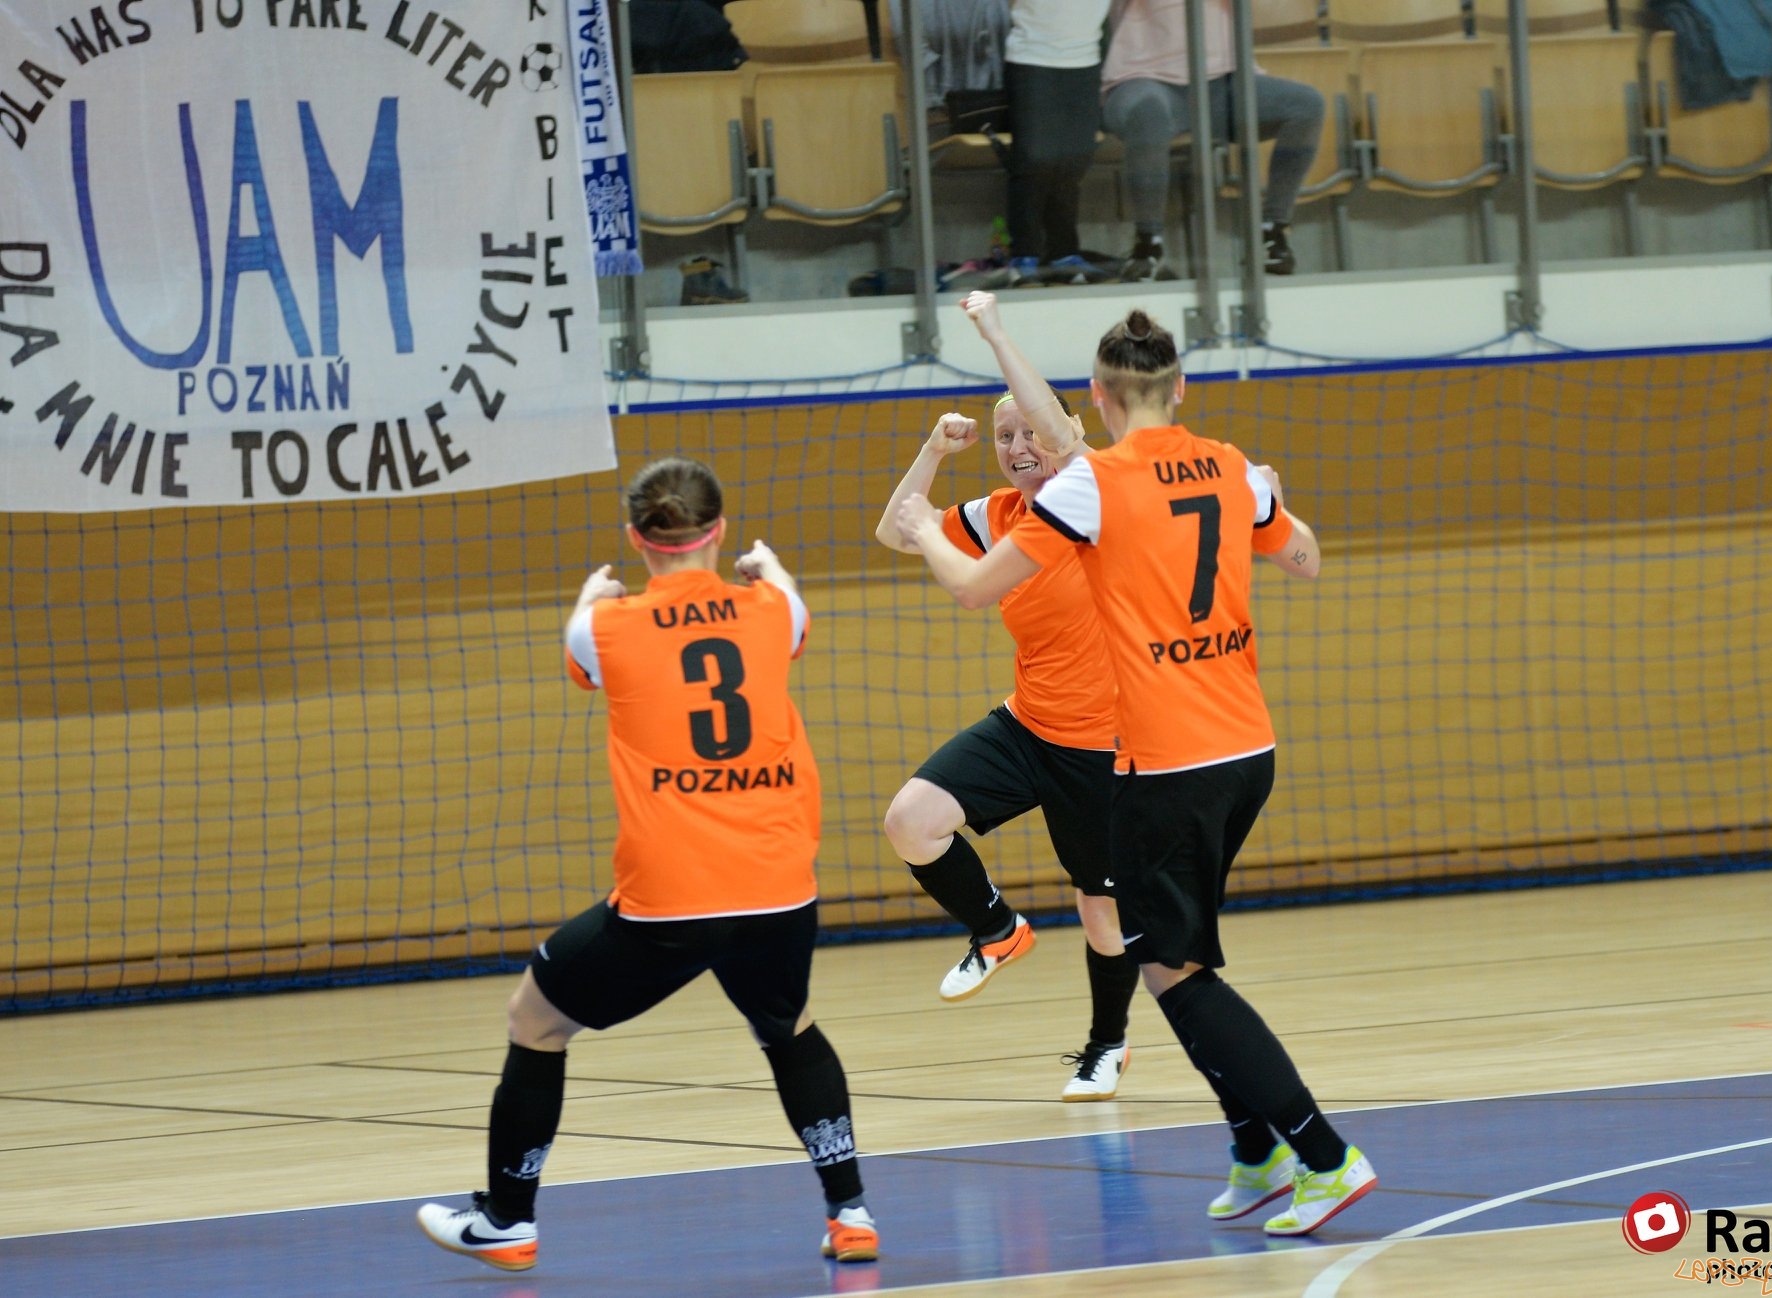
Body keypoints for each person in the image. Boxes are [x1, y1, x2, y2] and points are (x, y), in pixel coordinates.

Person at [894, 292, 1377, 1236]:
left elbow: (970, 587)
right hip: (1247, 745)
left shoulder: (1095, 485)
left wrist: (920, 530)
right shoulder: (1233, 467)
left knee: (1175, 969)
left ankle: (1322, 1154)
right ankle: (1255, 1154)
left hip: (1169, 759)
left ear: (1101, 399)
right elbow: (1307, 560)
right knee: (1174, 952)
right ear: (1180, 385)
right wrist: (1266, 503)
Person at [417, 458, 877, 1271]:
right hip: (778, 885)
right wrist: (769, 572)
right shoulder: (774, 609)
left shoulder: (604, 627)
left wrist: (591, 598)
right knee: (787, 1026)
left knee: (536, 1021)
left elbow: (588, 658)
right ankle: (850, 1212)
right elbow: (789, 616)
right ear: (721, 531)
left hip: (672, 897)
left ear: (636, 539)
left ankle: (508, 1222)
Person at [873, 393, 1139, 1101]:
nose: (1018, 446)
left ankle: (1107, 1045)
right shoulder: (997, 515)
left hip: (1104, 746)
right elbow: (895, 531)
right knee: (910, 821)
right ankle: (996, 929)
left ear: (1065, 433)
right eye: (1003, 435)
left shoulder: (1100, 501)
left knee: (1100, 909)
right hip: (1027, 725)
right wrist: (932, 451)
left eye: (1031, 432)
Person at [1102, 0, 1325, 279]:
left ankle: (1271, 231)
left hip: (1223, 80)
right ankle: (1148, 244)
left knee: (1306, 105)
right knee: (1149, 115)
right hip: (1143, 77)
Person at [1001, 0, 1111, 285]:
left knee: (1074, 161)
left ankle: (1064, 255)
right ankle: (1023, 256)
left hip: (1085, 61)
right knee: (1033, 161)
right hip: (1031, 58)